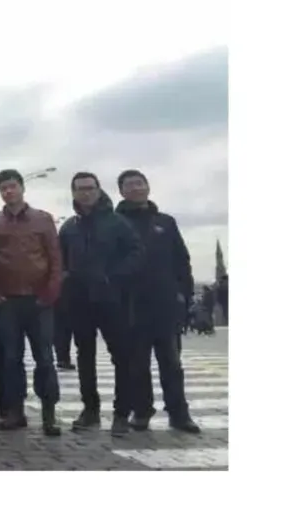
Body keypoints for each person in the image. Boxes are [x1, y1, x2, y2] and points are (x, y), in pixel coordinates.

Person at [116, 169, 201, 434]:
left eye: (139, 183)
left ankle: (179, 414)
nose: (136, 188)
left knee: (172, 363)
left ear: (147, 186)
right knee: (137, 364)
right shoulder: (116, 223)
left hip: (165, 304)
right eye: (129, 185)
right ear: (121, 191)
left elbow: (181, 261)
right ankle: (142, 411)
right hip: (131, 305)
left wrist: (183, 295)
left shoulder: (166, 222)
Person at [0, 169, 63, 435]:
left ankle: (49, 413)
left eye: (12, 186)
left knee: (45, 358)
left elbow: (55, 258)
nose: (9, 191)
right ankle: (15, 411)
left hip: (39, 301)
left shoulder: (42, 220)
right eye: (4, 187)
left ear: (22, 188)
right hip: (7, 302)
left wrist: (50, 292)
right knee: (11, 358)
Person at [57, 173, 142, 433]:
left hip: (112, 299)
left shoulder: (118, 223)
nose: (86, 193)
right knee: (85, 356)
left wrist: (114, 277)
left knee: (122, 356)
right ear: (73, 193)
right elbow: (60, 261)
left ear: (98, 190)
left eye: (90, 188)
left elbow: (136, 253)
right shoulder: (69, 227)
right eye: (80, 189)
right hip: (79, 300)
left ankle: (121, 414)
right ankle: (90, 410)